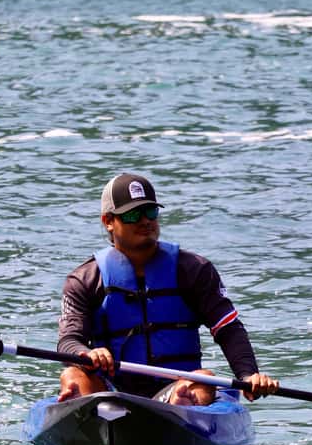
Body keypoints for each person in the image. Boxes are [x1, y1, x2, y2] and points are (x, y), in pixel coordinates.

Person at [57, 172, 279, 406]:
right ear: (108, 221)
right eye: (133, 214)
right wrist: (85, 354)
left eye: (151, 212)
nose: (145, 221)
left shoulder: (194, 270)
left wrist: (248, 375)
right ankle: (82, 411)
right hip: (110, 390)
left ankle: (182, 407)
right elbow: (69, 340)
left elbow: (228, 329)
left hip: (175, 386)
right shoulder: (84, 279)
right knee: (72, 374)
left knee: (204, 380)